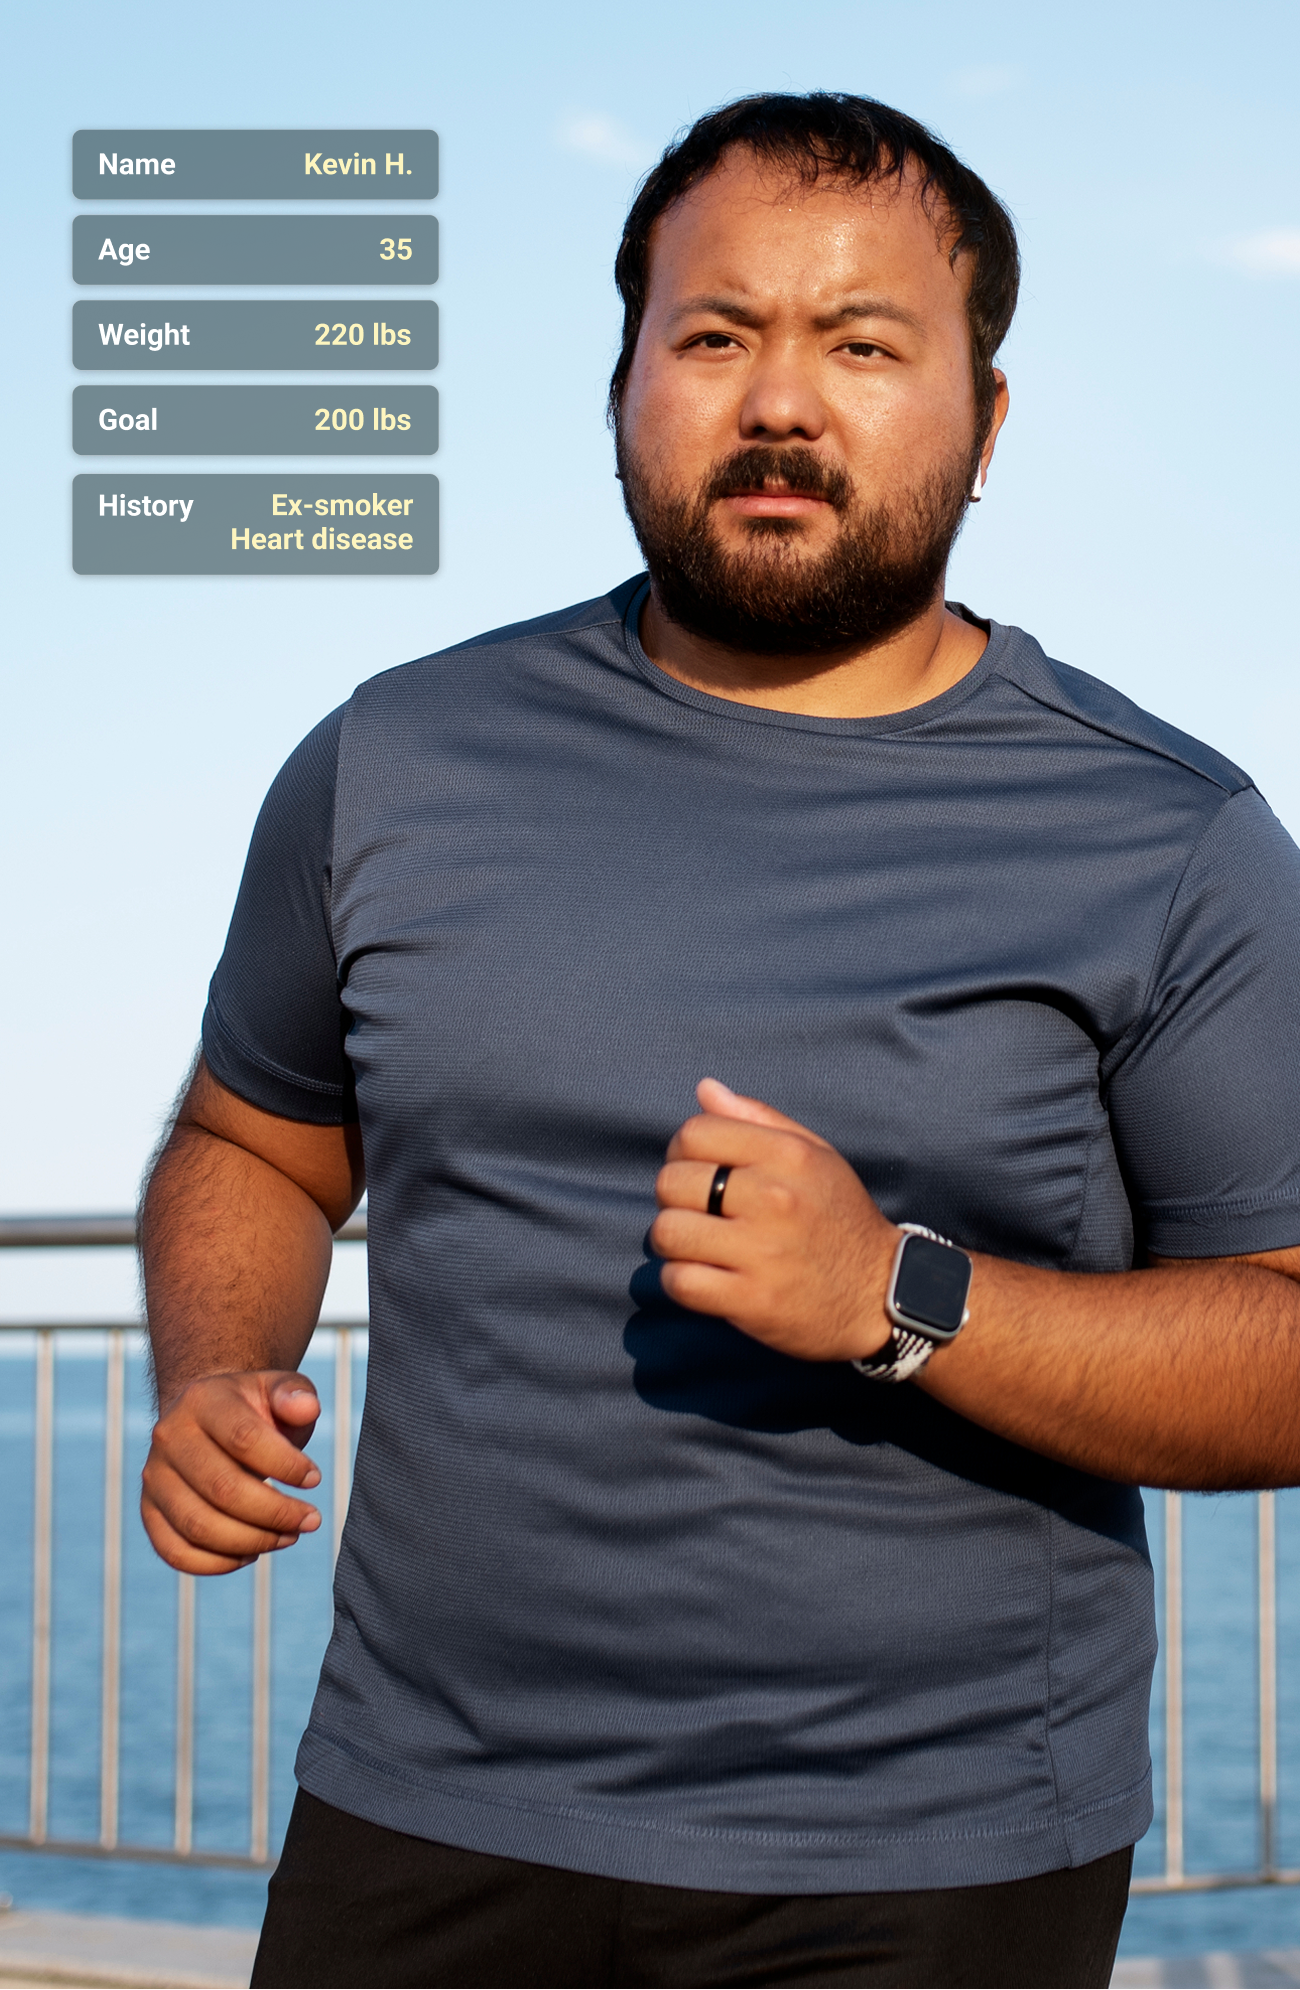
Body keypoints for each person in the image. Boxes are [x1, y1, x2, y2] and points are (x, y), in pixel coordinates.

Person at [138, 92, 1300, 1989]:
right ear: (622, 385)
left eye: (862, 343)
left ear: (986, 423)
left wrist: (894, 1292)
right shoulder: (389, 761)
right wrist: (209, 1369)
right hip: (418, 1811)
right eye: (714, 334)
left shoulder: (1168, 835)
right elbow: (253, 1144)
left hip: (920, 1870)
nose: (781, 402)